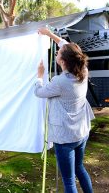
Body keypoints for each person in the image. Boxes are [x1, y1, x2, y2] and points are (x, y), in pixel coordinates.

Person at [35, 27, 95, 193]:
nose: (56, 53)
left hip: (66, 137)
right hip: (82, 132)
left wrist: (39, 77)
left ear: (63, 61)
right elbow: (70, 48)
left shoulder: (59, 82)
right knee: (80, 168)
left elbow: (39, 92)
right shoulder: (83, 70)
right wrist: (49, 34)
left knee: (69, 181)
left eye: (58, 53)